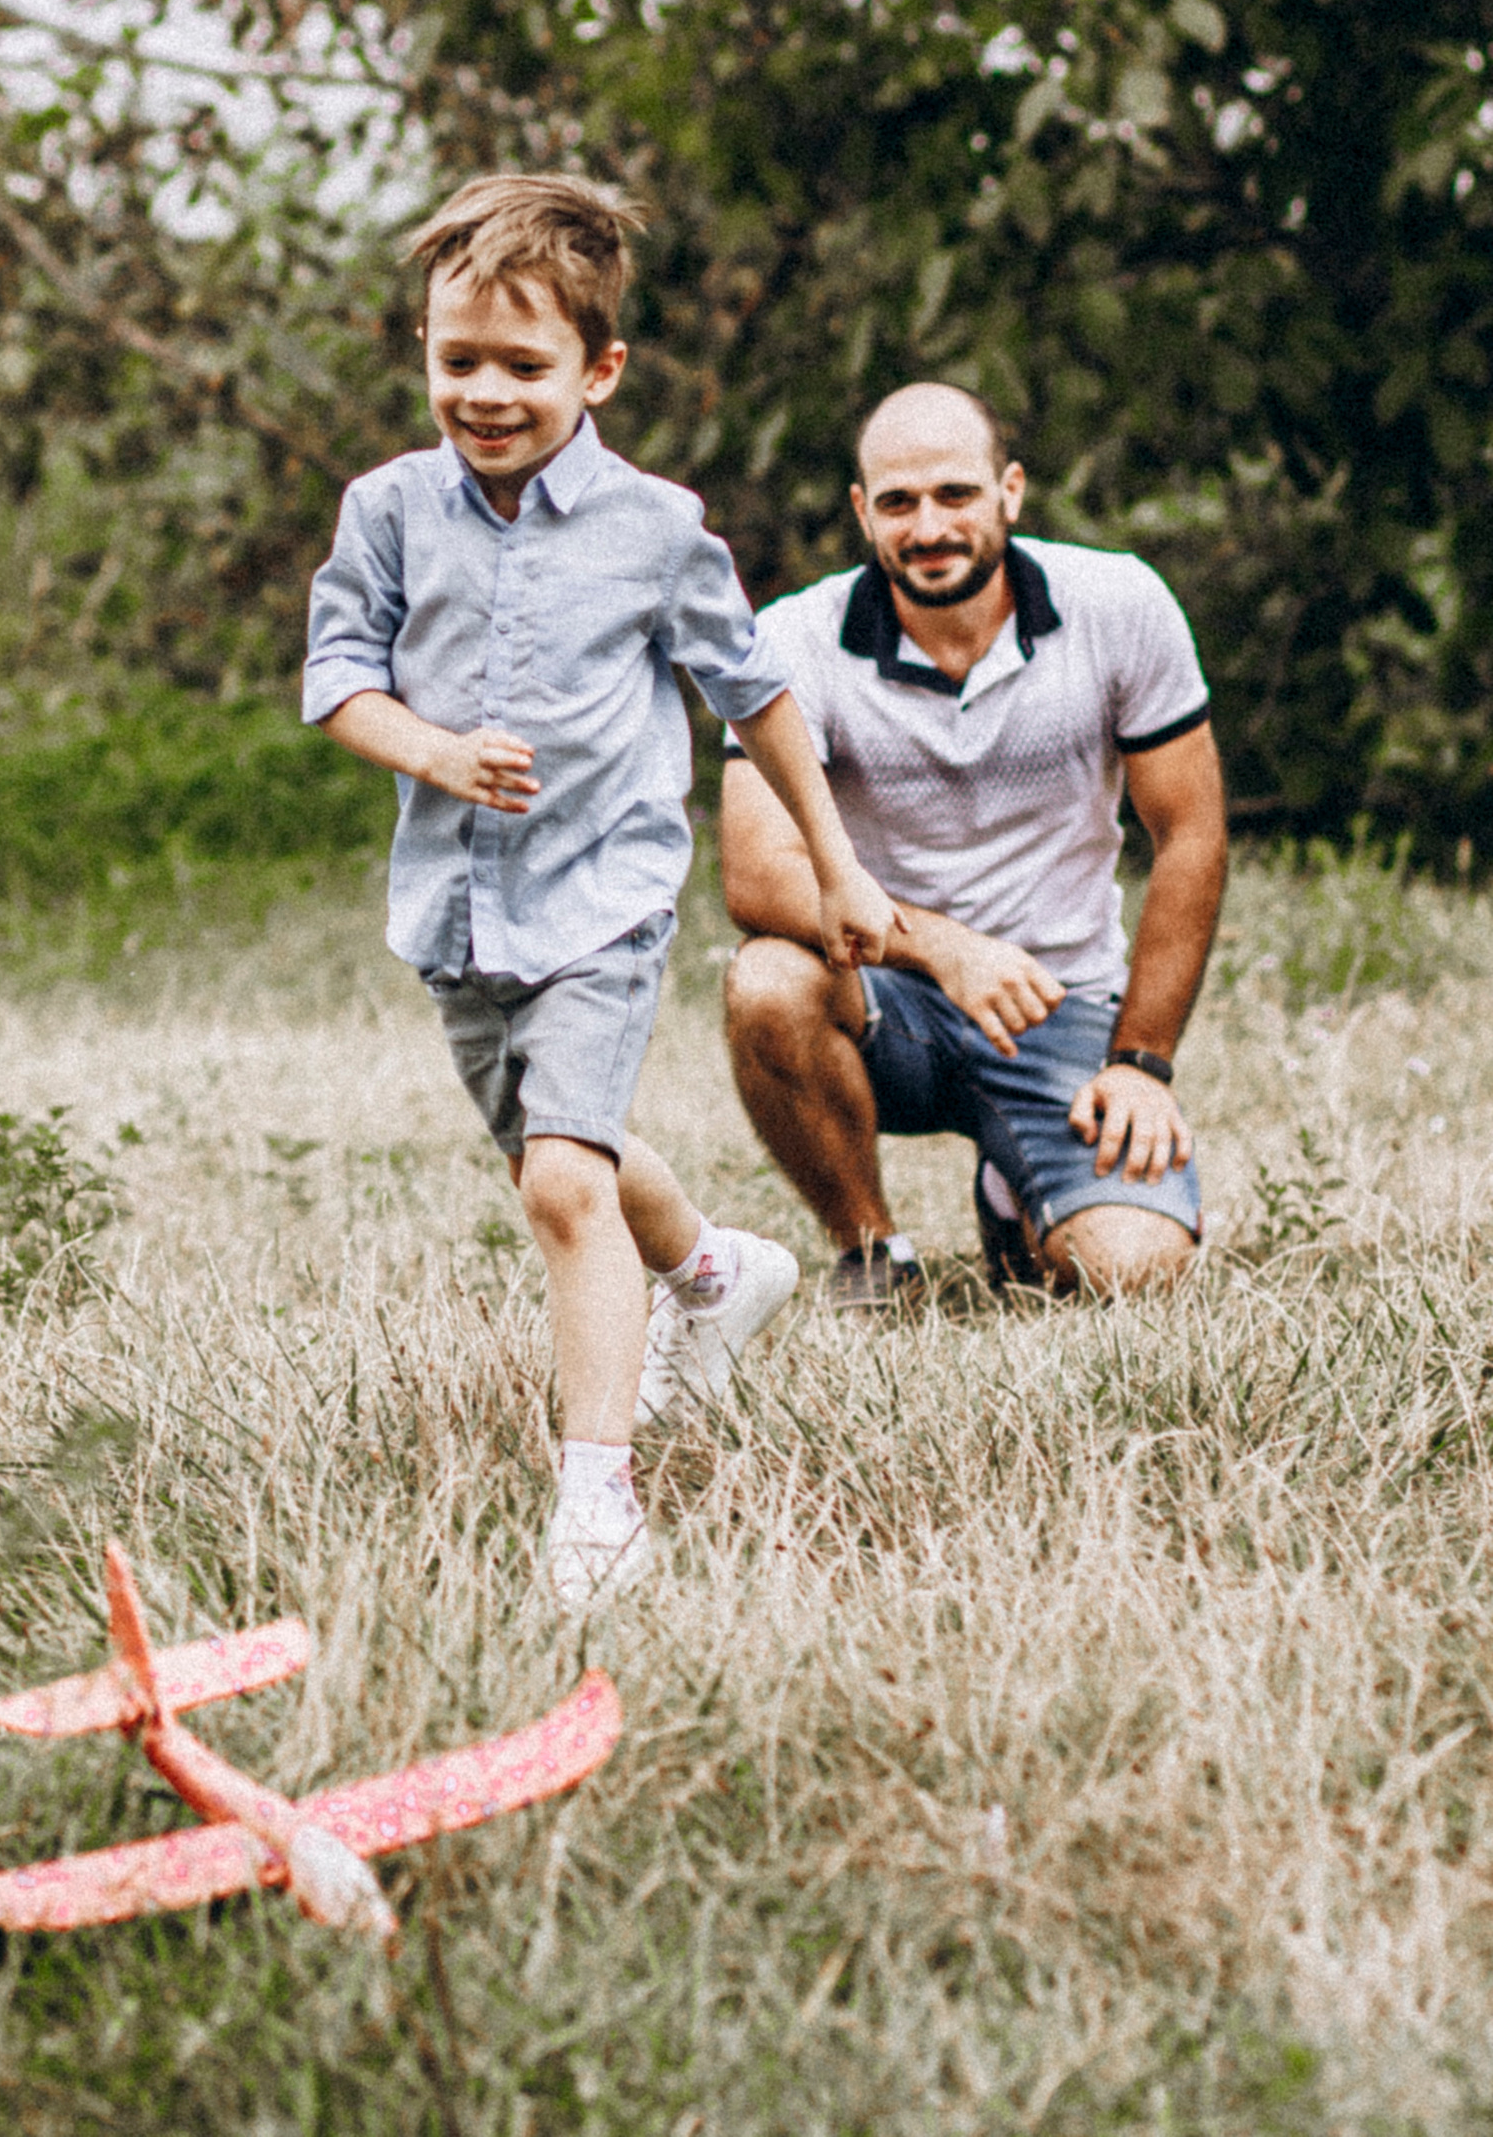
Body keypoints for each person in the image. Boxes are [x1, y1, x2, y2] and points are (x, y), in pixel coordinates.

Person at [304, 173, 893, 1611]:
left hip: (602, 903)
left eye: (524, 364)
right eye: (458, 362)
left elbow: (755, 697)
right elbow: (336, 685)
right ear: (424, 354)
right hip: (454, 907)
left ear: (600, 367)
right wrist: (432, 750)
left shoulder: (657, 528)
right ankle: (711, 1274)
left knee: (562, 1185)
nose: (486, 392)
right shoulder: (386, 512)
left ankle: (598, 1502)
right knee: (561, 1151)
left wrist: (836, 863)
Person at [718, 380, 1228, 1305]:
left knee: (1136, 1271)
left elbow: (1189, 834)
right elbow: (756, 875)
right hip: (881, 1000)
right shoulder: (795, 637)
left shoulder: (1118, 604)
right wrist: (944, 950)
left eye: (956, 495)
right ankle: (872, 1254)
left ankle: (1014, 1200)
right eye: (900, 503)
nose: (929, 527)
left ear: (1011, 493)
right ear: (863, 512)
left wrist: (1143, 1061)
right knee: (766, 981)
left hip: (1059, 1005)